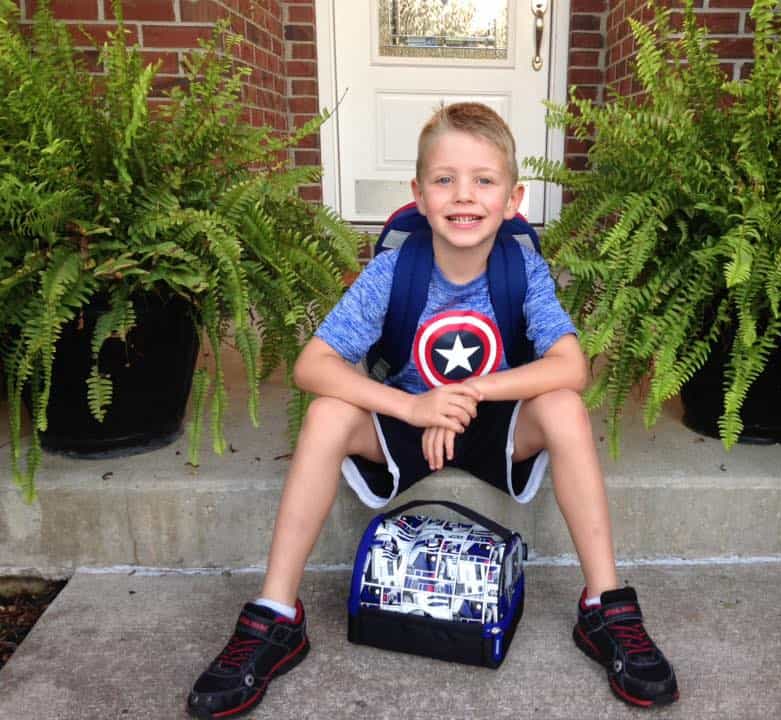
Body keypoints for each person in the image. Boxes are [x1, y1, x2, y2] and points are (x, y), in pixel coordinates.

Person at [187, 102, 678, 718]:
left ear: (514, 198)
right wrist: (415, 407)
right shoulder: (395, 270)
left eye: (484, 180)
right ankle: (277, 614)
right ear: (418, 194)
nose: (464, 196)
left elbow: (570, 367)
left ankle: (604, 605)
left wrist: (466, 395)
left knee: (562, 406)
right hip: (409, 418)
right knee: (326, 414)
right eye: (444, 179)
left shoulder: (522, 267)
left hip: (495, 422)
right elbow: (313, 366)